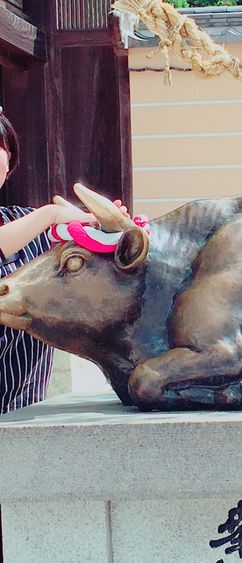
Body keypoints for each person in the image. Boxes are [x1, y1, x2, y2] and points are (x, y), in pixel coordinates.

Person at [0, 111, 126, 413]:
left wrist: (104, 229)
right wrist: (49, 214)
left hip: (25, 405)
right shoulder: (39, 219)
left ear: (9, 157)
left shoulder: (23, 220)